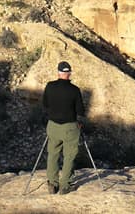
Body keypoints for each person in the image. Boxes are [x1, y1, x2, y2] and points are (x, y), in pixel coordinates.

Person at [42, 61, 85, 195]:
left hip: (53, 125)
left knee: (53, 154)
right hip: (69, 127)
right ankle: (64, 186)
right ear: (69, 73)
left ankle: (52, 184)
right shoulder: (74, 90)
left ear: (58, 72)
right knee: (69, 156)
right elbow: (80, 111)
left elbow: (45, 104)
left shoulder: (50, 86)